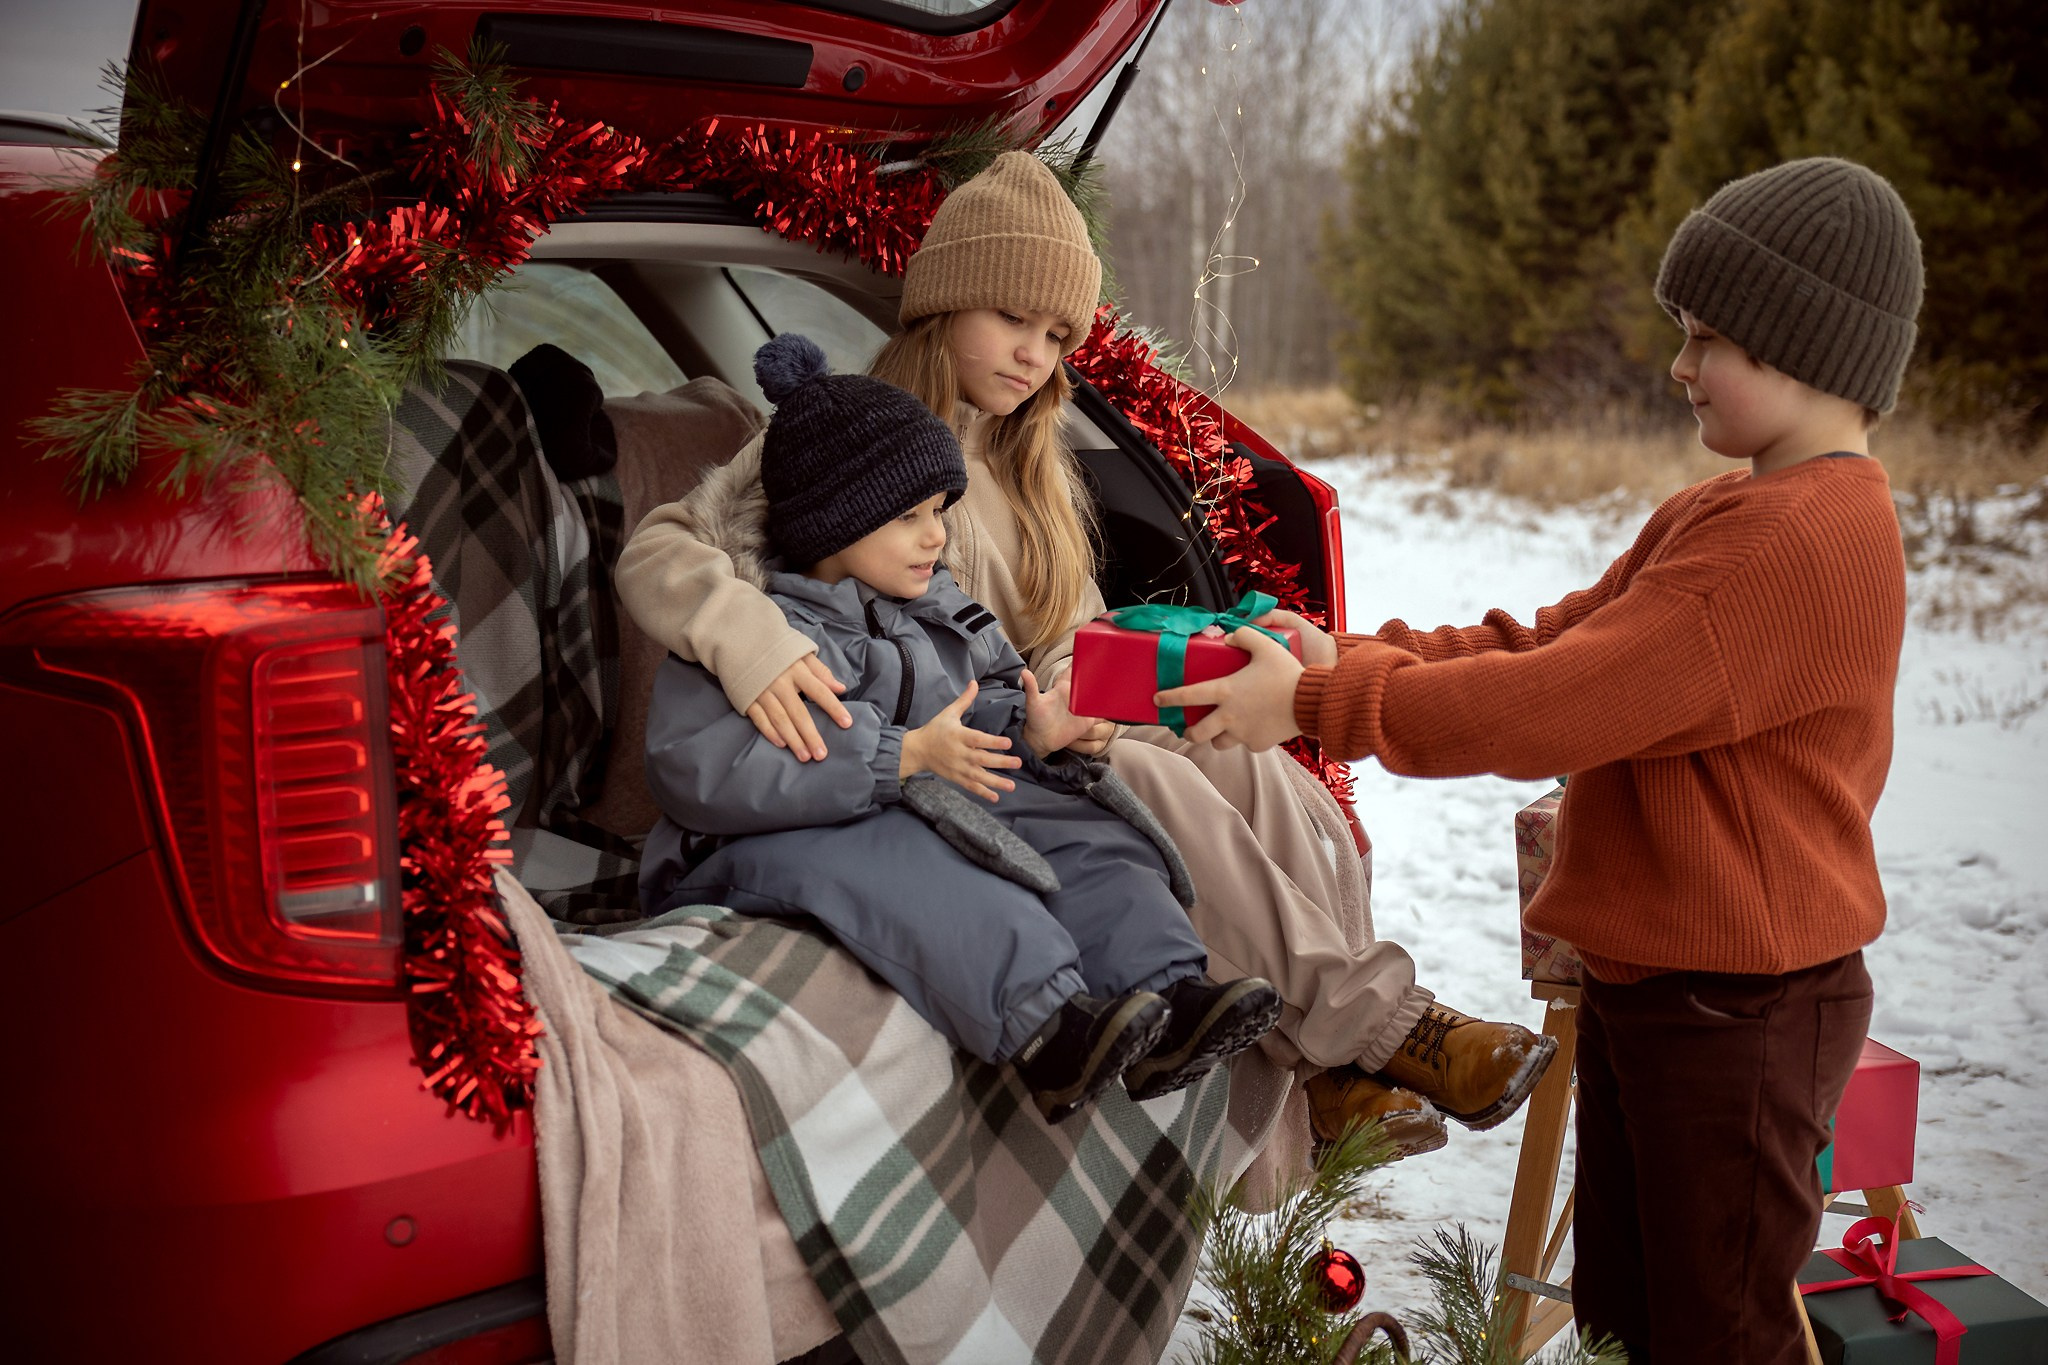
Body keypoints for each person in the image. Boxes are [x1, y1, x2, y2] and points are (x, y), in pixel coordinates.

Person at [616, 150, 1552, 1156]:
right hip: (952, 743)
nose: (1033, 354)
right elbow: (665, 548)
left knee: (1248, 764)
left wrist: (1094, 690)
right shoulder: (851, 434)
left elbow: (1068, 632)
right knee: (1158, 784)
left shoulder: (1032, 462)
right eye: (1011, 319)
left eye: (1057, 335)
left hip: (1031, 719)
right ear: (943, 303)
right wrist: (750, 637)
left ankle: (1332, 1074)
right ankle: (1387, 1028)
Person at [1159, 157, 1919, 1362]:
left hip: (1740, 1009)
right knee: (1621, 1312)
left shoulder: (1788, 543)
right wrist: (1354, 655)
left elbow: (1553, 705)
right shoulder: (1728, 511)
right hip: (1663, 986)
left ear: (1799, 348)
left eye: (1705, 338)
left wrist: (1318, 701)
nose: (1676, 366)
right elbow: (1555, 641)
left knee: (1715, 1331)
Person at [639, 333, 1283, 1123]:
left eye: (940, 510)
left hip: (916, 790)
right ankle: (1049, 1026)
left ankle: (1168, 994)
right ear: (834, 525)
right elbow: (696, 766)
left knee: (1078, 823)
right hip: (760, 840)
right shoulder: (764, 633)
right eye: (910, 516)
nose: (937, 535)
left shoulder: (937, 605)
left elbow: (983, 699)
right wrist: (896, 757)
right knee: (916, 863)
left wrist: (1031, 732)